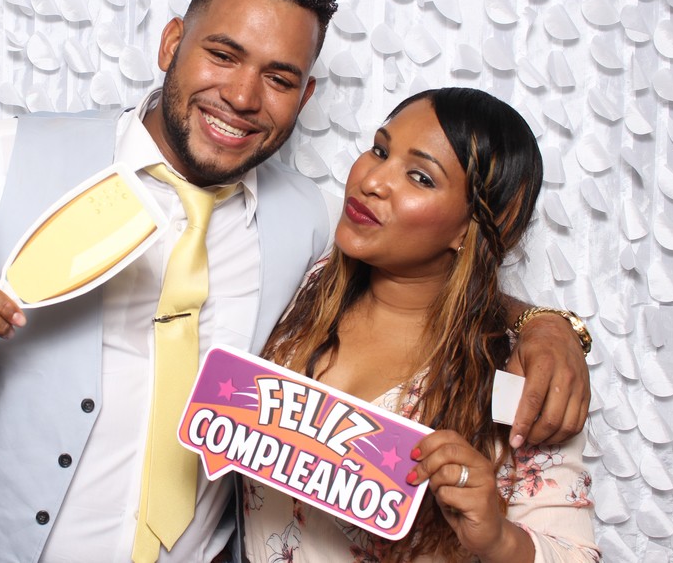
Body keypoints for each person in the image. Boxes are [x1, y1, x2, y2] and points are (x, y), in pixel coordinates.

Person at [0, 0, 590, 563]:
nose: (243, 96)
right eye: (222, 53)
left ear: (305, 96)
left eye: (278, 77)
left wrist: (549, 326)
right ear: (171, 42)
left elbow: (437, 276)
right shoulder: (3, 156)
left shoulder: (315, 220)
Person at [244, 88, 599, 562]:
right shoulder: (307, 280)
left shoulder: (517, 379)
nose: (372, 181)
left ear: (471, 226)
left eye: (420, 177)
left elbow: (576, 555)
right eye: (379, 150)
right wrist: (550, 323)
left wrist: (499, 539)